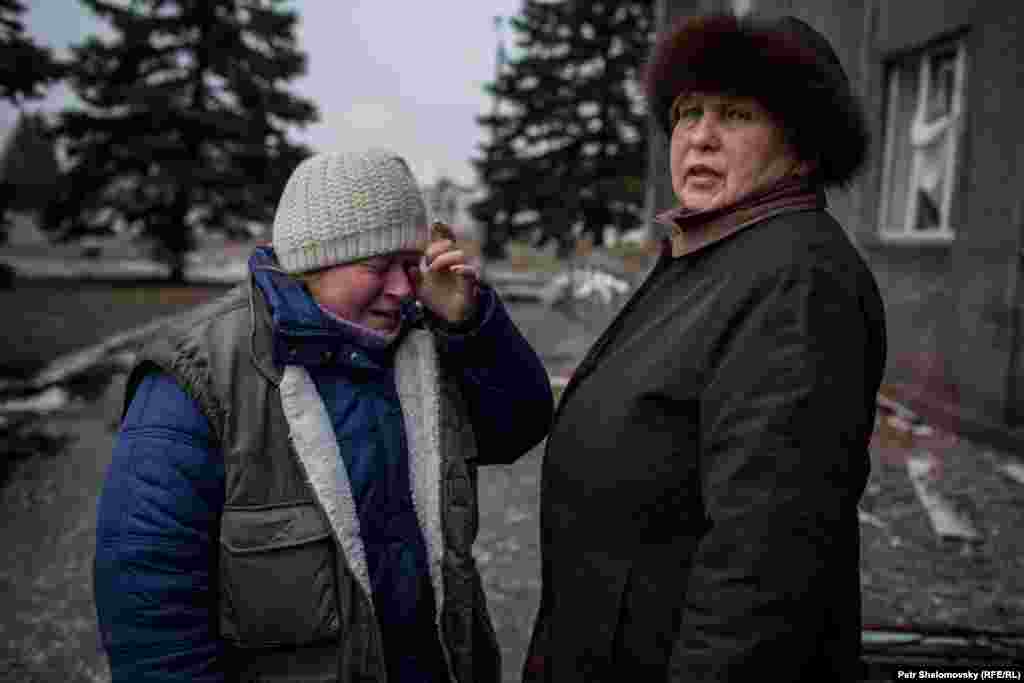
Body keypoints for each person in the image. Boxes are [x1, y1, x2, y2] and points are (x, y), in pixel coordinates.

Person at [94, 148, 555, 682]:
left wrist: (472, 325)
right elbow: (149, 597)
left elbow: (518, 425)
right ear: (312, 263)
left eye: (412, 265)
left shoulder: (427, 339)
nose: (405, 289)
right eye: (378, 267)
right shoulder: (201, 374)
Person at [523, 13, 886, 683]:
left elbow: (764, 562)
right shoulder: (715, 254)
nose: (701, 137)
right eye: (687, 112)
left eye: (737, 114)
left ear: (804, 144)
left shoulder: (797, 281)